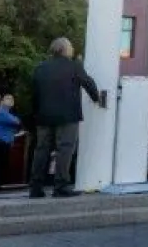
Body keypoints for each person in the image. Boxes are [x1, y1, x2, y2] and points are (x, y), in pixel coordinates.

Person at [28, 37, 101, 198]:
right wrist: (97, 98)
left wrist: (35, 114)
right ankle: (60, 186)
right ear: (65, 50)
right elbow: (88, 83)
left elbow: (34, 94)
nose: (72, 49)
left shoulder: (40, 67)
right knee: (65, 149)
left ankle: (35, 187)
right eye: (71, 47)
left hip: (43, 116)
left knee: (41, 150)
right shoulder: (74, 66)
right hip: (67, 116)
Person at [0, 95, 23, 194]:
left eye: (12, 99)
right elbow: (16, 121)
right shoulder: (1, 112)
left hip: (3, 143)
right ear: (2, 101)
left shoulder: (7, 113)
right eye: (8, 99)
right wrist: (15, 120)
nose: (11, 101)